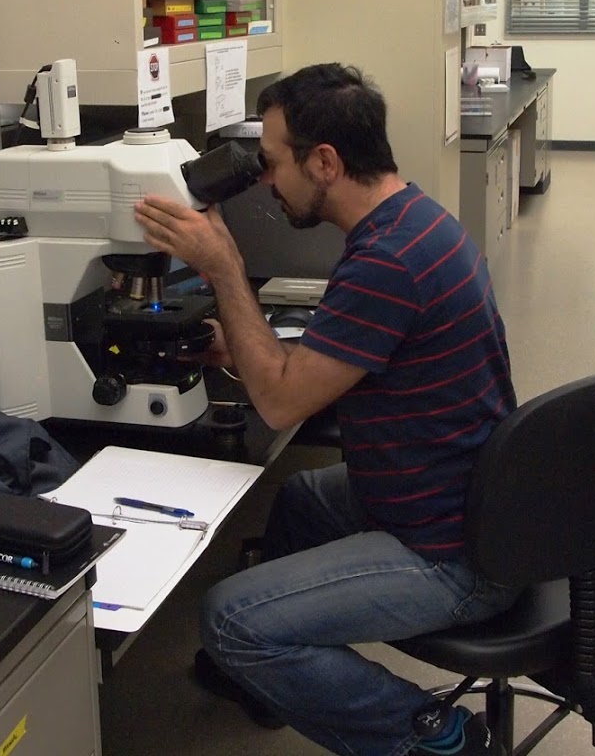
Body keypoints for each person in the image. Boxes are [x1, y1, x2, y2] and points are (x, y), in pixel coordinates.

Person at [133, 63, 518, 756]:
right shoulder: (414, 220)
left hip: (454, 557)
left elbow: (281, 403)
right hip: (467, 494)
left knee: (228, 618)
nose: (266, 181)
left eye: (273, 162)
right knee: (302, 499)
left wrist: (224, 268)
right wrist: (244, 346)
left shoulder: (385, 263)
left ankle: (440, 738)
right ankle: (260, 679)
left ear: (326, 162)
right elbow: (353, 352)